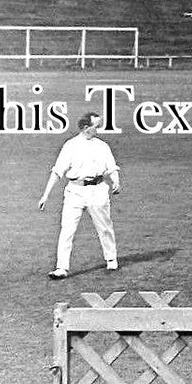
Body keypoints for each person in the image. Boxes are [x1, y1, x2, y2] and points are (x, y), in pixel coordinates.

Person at [37, 112, 121, 278]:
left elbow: (111, 167)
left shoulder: (102, 146)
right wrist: (45, 195)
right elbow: (57, 171)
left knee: (104, 226)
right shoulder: (70, 146)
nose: (99, 129)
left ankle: (111, 259)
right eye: (96, 126)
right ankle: (61, 267)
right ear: (85, 128)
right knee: (67, 229)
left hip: (97, 190)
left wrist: (116, 181)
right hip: (75, 191)